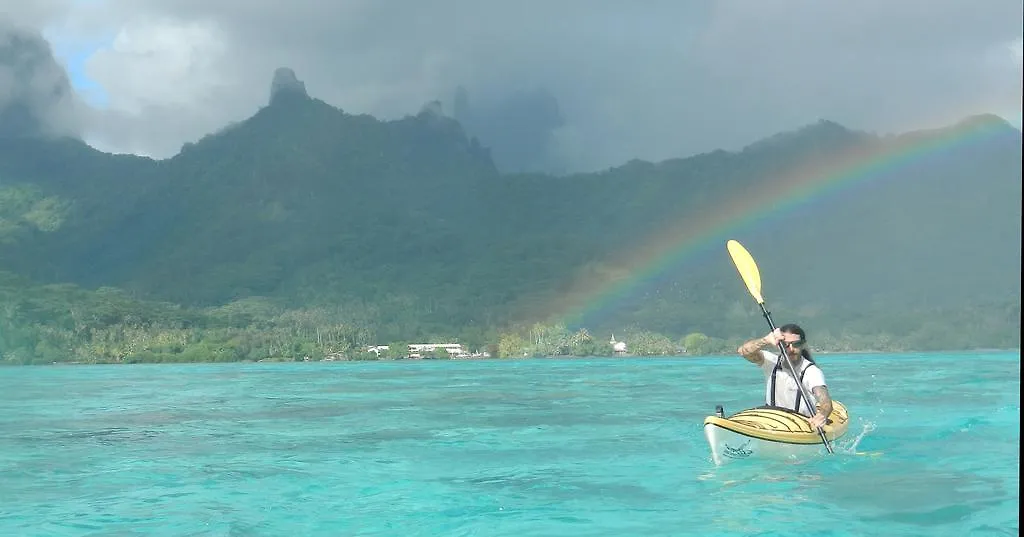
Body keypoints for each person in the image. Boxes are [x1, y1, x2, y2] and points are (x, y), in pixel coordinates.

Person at [737, 323, 833, 429]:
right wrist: (767, 340)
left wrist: (822, 415)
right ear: (779, 345)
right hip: (772, 422)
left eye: (796, 344)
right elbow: (743, 352)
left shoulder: (811, 371)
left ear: (803, 345)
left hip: (801, 426)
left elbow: (825, 402)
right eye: (785, 345)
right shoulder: (771, 362)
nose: (791, 349)